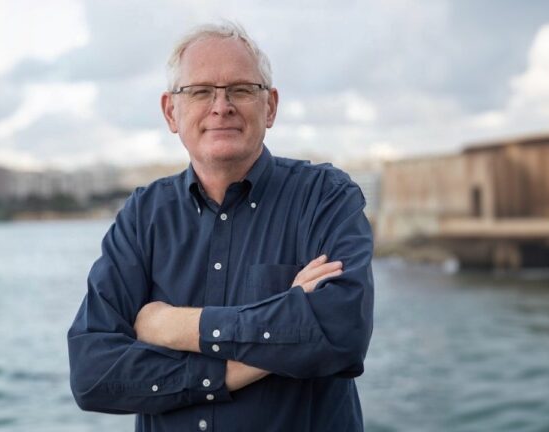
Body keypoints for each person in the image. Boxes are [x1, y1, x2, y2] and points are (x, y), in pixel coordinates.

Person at [68, 21, 374, 432]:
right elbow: (92, 374)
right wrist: (241, 362)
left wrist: (173, 326)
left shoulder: (324, 196)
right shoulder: (144, 215)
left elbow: (342, 331)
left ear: (270, 107)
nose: (221, 106)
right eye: (199, 91)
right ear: (170, 111)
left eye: (241, 89)